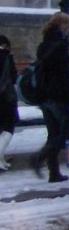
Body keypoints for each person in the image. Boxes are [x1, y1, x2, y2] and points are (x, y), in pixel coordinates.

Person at [30, 12, 69, 183]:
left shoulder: (43, 45)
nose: (68, 30)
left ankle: (54, 173)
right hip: (58, 96)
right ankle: (38, 158)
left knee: (53, 134)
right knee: (66, 133)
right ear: (62, 26)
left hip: (44, 97)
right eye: (68, 27)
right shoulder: (61, 45)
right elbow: (65, 74)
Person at [0, 35, 19, 170]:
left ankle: (1, 159)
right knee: (8, 128)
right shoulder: (5, 57)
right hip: (5, 98)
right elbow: (13, 77)